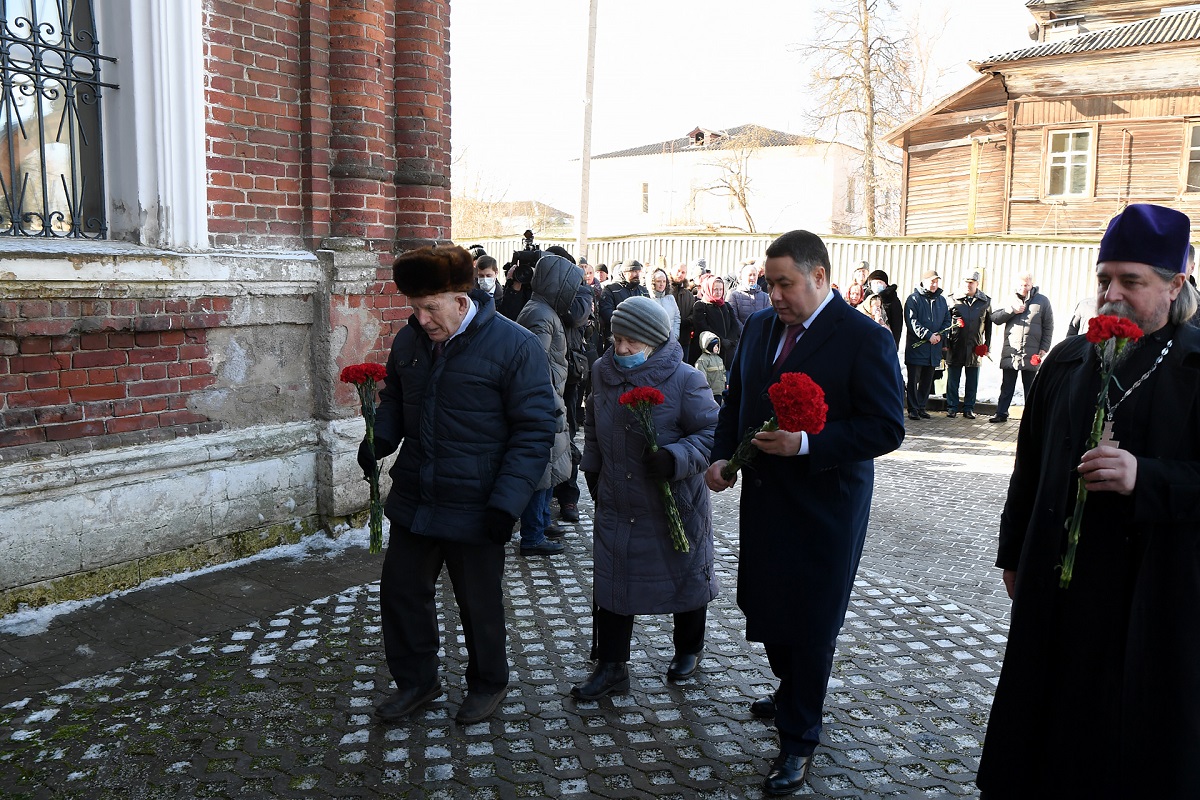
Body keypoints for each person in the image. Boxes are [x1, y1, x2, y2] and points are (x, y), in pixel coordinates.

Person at [976, 203, 1200, 798]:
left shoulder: (1197, 367)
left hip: (1151, 594)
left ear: (1176, 285)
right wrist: (1013, 553)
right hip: (1058, 586)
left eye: (1133, 281)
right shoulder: (1069, 360)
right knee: (1047, 735)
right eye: (1105, 279)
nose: (1113, 295)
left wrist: (1144, 476)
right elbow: (1027, 471)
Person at [704, 230, 905, 796]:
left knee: (812, 621)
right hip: (766, 500)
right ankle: (792, 687)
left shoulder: (864, 338)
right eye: (769, 284)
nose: (774, 296)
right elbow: (737, 400)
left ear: (820, 277)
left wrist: (808, 445)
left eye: (785, 284)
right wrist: (723, 457)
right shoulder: (763, 328)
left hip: (826, 507)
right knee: (765, 604)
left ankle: (798, 738)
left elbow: (887, 427)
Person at [363, 244, 556, 725]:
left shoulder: (514, 345)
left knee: (479, 603)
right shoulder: (409, 342)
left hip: (478, 504)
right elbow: (395, 400)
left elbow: (534, 432)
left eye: (430, 307)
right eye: (414, 307)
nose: (422, 318)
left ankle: (488, 682)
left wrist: (506, 505)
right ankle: (417, 683)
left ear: (461, 297)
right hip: (417, 498)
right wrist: (379, 438)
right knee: (402, 594)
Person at [573, 296, 720, 700]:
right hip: (618, 500)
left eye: (631, 343)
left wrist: (675, 458)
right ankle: (611, 666)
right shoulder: (603, 371)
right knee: (612, 582)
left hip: (672, 501)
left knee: (683, 575)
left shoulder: (686, 379)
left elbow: (711, 436)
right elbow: (592, 422)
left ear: (654, 342)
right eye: (616, 339)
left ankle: (688, 647)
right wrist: (593, 471)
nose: (621, 350)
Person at [515, 252, 584, 557]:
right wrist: (552, 404)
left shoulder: (544, 310)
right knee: (541, 470)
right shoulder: (541, 315)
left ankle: (541, 522)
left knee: (552, 465)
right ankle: (531, 535)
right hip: (545, 400)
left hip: (550, 397)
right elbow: (536, 365)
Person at [989, 272, 1053, 423]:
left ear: (1032, 285)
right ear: (1016, 285)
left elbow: (1048, 326)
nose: (1024, 288)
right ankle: (1001, 413)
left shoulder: (1042, 301)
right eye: (1021, 285)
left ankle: (1031, 417)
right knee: (1007, 386)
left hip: (1032, 352)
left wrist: (1044, 347)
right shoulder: (1009, 299)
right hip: (1011, 351)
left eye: (1027, 285)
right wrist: (1011, 310)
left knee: (1030, 388)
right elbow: (995, 318)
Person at [903, 270, 951, 421]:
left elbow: (947, 320)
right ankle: (912, 408)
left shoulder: (941, 300)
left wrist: (940, 335)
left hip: (934, 348)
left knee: (927, 379)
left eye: (936, 281)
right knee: (914, 379)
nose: (934, 284)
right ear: (923, 282)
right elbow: (912, 322)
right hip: (917, 347)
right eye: (931, 281)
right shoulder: (913, 299)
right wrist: (927, 335)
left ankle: (922, 406)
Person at [944, 270, 992, 419]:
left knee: (972, 380)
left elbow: (988, 326)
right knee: (953, 379)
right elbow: (946, 323)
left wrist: (987, 345)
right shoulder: (953, 300)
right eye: (966, 282)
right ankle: (952, 407)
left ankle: (969, 408)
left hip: (975, 347)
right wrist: (946, 343)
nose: (968, 285)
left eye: (971, 282)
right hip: (956, 345)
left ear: (977, 284)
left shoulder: (985, 302)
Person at [689, 274, 739, 371]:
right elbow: (702, 327)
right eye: (715, 289)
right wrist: (720, 341)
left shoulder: (727, 306)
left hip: (727, 353)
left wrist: (731, 340)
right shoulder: (700, 306)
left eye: (721, 289)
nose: (719, 292)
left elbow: (735, 325)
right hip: (710, 352)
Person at [598, 260, 649, 348]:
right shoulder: (611, 290)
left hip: (638, 338)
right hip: (616, 339)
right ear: (624, 273)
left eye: (638, 271)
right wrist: (628, 323)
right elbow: (607, 313)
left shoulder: (643, 291)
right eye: (633, 271)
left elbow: (649, 312)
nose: (636, 274)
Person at [729, 260, 770, 331]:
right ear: (743, 276)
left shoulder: (764, 297)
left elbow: (768, 317)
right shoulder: (734, 295)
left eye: (754, 275)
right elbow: (733, 318)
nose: (752, 278)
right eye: (750, 275)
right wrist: (746, 331)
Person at [866, 269, 903, 348]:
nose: (876, 285)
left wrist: (894, 345)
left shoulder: (893, 299)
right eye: (874, 283)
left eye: (879, 282)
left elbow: (897, 325)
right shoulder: (866, 298)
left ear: (886, 284)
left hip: (885, 341)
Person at [670, 261, 698, 353]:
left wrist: (686, 321)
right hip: (667, 339)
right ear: (671, 271)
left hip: (684, 339)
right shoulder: (665, 292)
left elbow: (693, 313)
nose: (680, 274)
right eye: (678, 271)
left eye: (683, 272)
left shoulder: (688, 294)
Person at [648, 266, 682, 340]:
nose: (661, 284)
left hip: (671, 339)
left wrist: (675, 335)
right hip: (654, 341)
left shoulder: (670, 298)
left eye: (664, 281)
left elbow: (677, 317)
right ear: (653, 282)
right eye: (658, 281)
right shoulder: (648, 299)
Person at [694, 331, 726, 405]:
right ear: (708, 346)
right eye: (714, 345)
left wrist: (725, 383)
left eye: (717, 345)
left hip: (720, 391)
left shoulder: (719, 359)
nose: (717, 348)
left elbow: (723, 372)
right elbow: (701, 376)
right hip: (710, 392)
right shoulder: (702, 360)